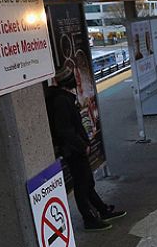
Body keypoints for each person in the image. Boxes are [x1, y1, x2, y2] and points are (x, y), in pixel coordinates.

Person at [45, 67, 126, 231]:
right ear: (70, 80)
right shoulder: (61, 101)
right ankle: (89, 219)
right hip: (73, 150)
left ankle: (101, 210)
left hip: (76, 148)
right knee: (82, 184)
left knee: (87, 181)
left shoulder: (64, 98)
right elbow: (64, 130)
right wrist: (82, 145)